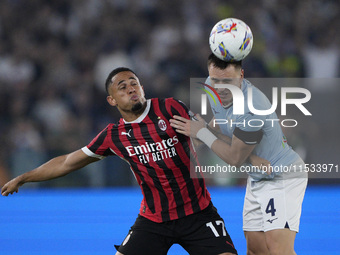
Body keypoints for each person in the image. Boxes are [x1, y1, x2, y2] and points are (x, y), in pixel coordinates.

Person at [2, 67, 243, 255]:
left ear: (142, 88)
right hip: (154, 221)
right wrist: (24, 178)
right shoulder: (112, 136)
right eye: (122, 87)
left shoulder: (169, 108)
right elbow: (67, 162)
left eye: (134, 83)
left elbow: (202, 134)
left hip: (198, 214)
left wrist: (203, 134)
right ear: (112, 100)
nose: (130, 89)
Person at [170, 54, 308, 255]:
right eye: (216, 80)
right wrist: (206, 129)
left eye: (228, 81)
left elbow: (234, 158)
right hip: (258, 176)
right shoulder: (211, 87)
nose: (221, 87)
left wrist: (202, 133)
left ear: (241, 76)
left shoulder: (253, 107)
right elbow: (224, 127)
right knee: (255, 250)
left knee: (279, 250)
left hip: (281, 175)